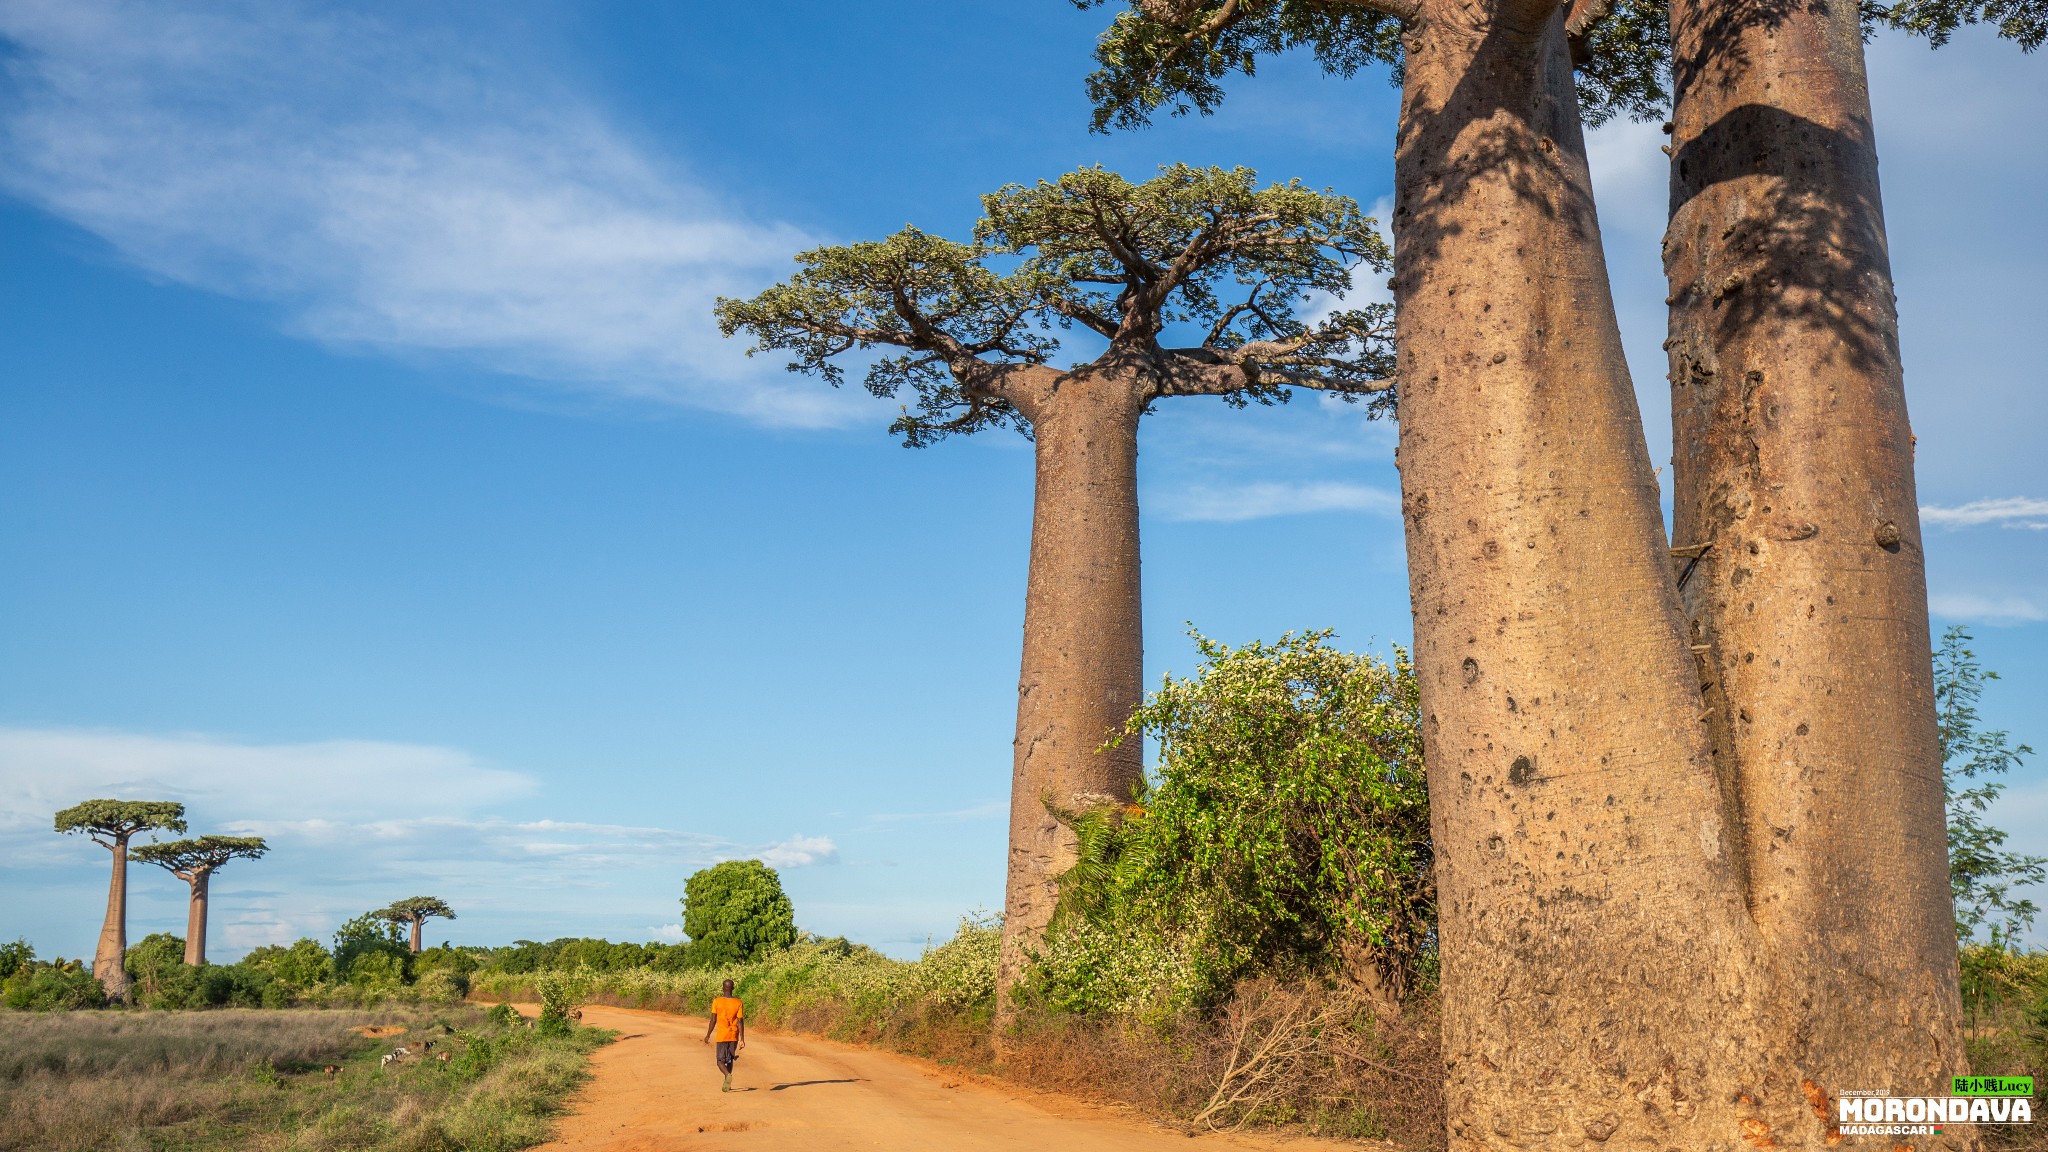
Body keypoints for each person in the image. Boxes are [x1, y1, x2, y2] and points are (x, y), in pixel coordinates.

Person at [701, 979, 746, 1091]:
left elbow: (713, 1020)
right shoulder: (738, 1002)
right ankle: (728, 1082)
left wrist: (708, 1035)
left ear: (722, 988)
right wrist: (742, 1038)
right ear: (733, 988)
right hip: (733, 1035)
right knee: (730, 1059)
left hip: (722, 1035)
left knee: (720, 1061)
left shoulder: (717, 1001)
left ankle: (727, 1075)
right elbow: (740, 1021)